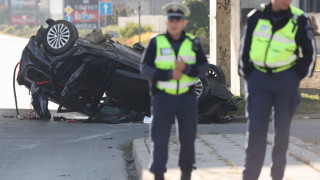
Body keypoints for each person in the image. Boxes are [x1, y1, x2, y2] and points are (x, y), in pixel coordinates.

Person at [239, 0, 317, 179]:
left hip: (286, 79)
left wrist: (295, 77)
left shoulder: (299, 19)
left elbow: (310, 53)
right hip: (258, 80)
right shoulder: (256, 16)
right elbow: (244, 49)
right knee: (255, 133)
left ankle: (277, 176)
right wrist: (250, 77)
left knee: (282, 134)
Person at [140, 2, 208, 180]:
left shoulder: (192, 43)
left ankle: (186, 174)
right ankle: (158, 174)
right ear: (166, 22)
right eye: (171, 20)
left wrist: (186, 68)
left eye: (178, 20)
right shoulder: (156, 42)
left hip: (186, 97)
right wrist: (169, 74)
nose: (174, 24)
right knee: (159, 138)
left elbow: (203, 68)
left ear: (184, 23)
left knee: (187, 139)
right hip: (163, 98)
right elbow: (145, 68)